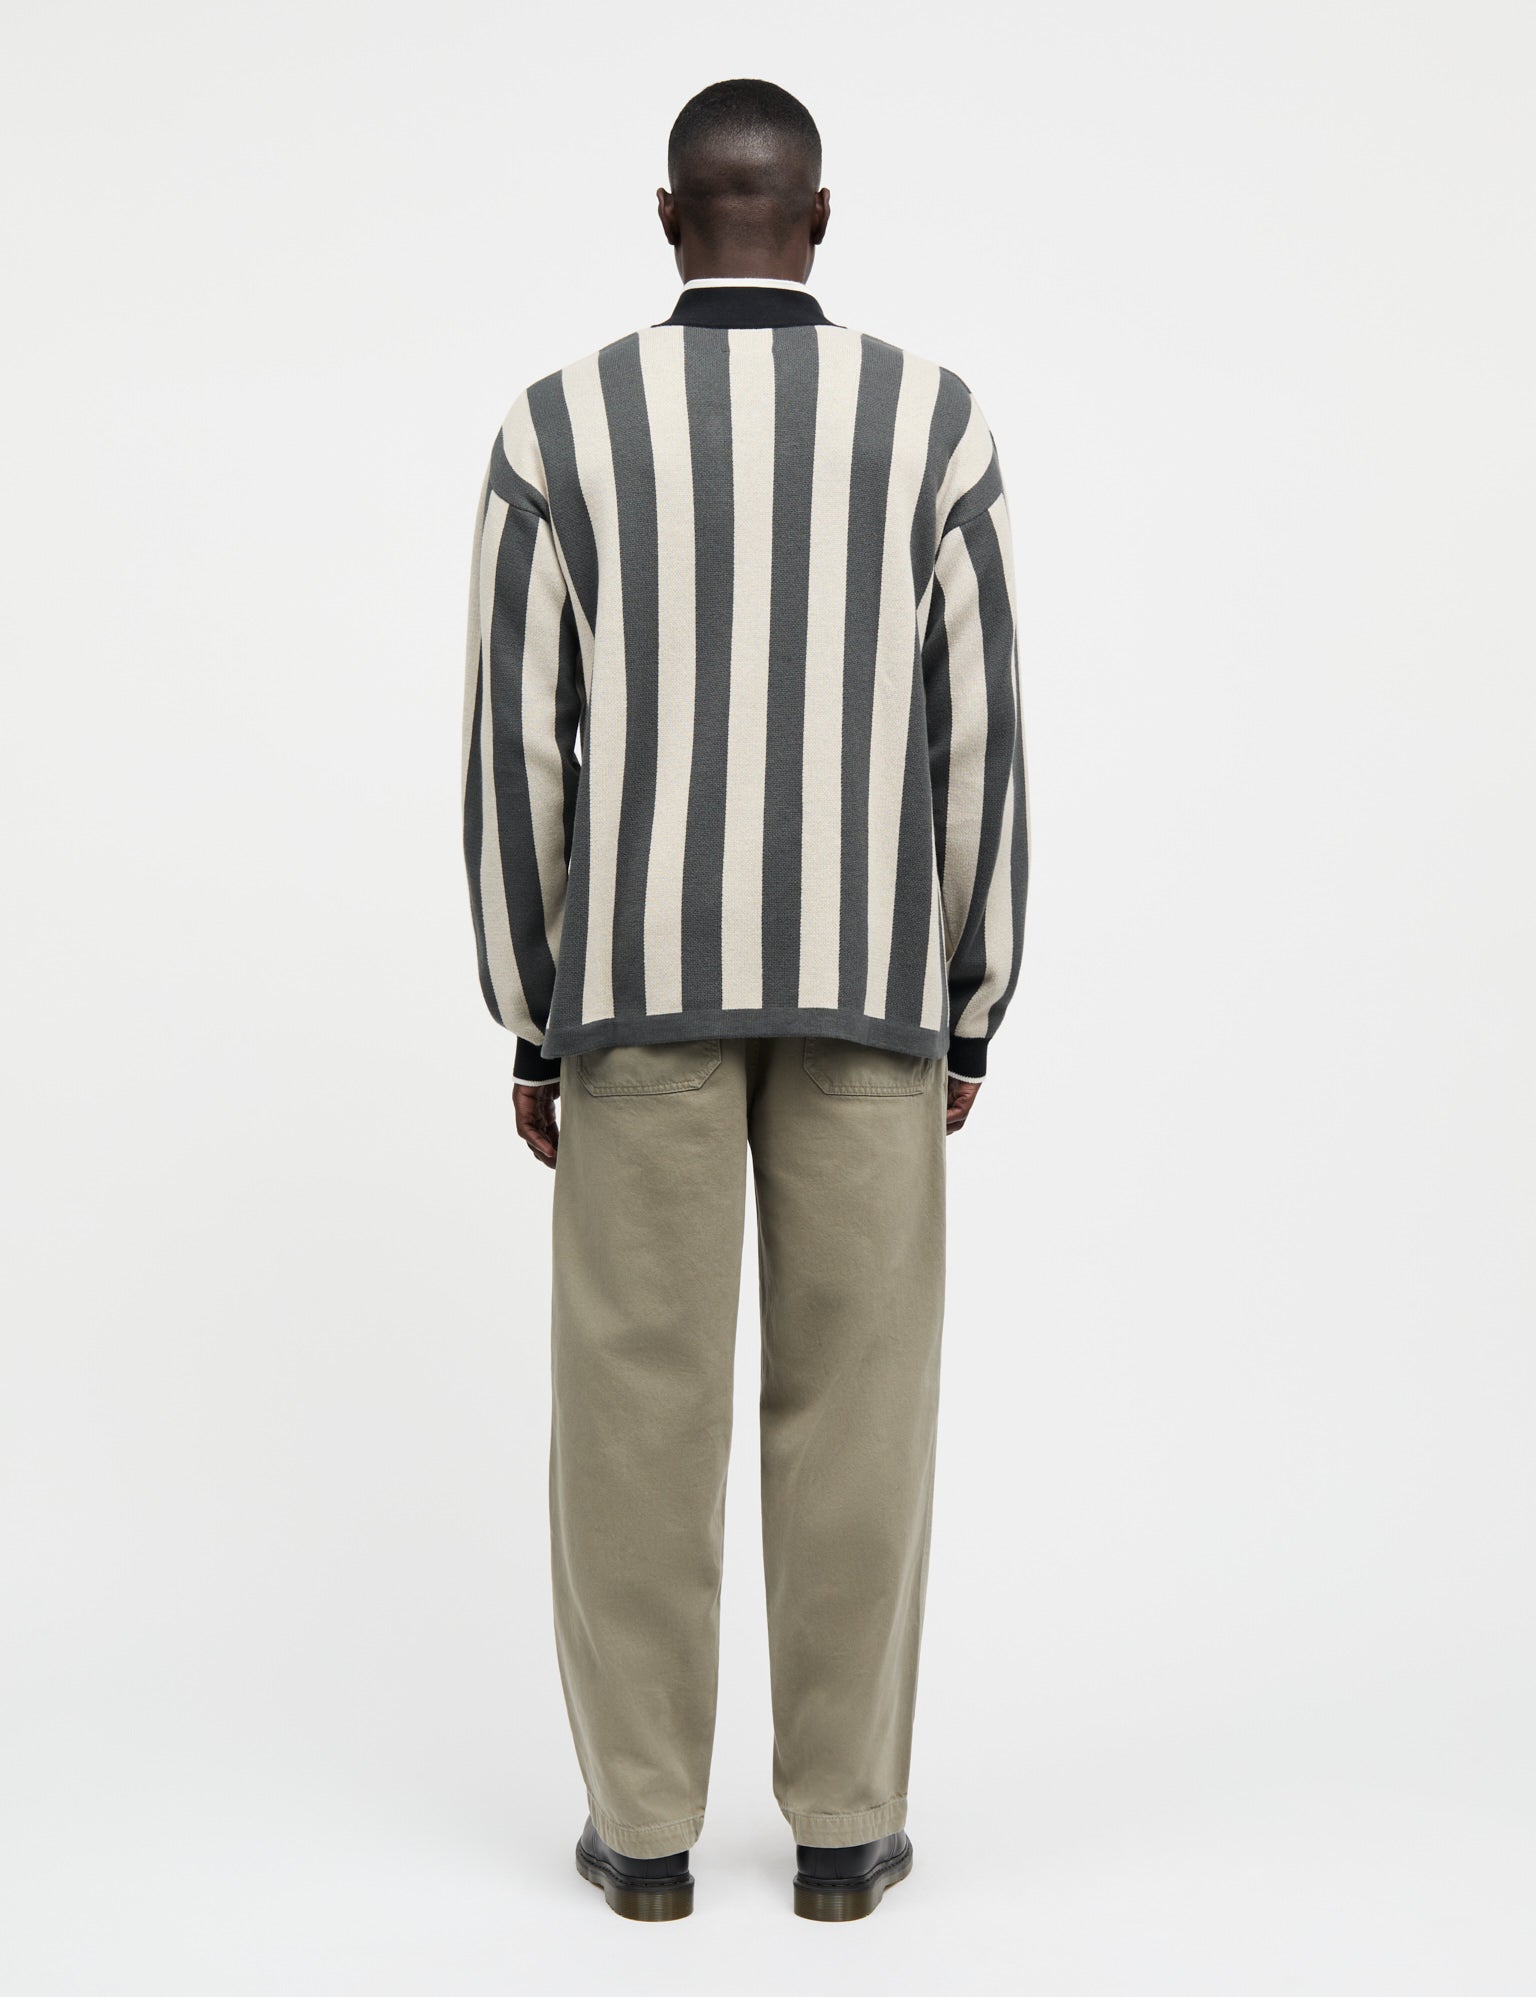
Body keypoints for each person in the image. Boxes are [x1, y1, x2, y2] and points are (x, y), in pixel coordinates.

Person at [461, 76, 1028, 1923]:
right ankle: (847, 1831)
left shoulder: (558, 429)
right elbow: (975, 741)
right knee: (858, 1412)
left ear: (666, 217)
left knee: (636, 1410)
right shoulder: (931, 425)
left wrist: (534, 1007)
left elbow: (518, 752)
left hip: (636, 996)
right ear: (821, 220)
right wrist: (972, 998)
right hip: (873, 992)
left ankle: (642, 1836)